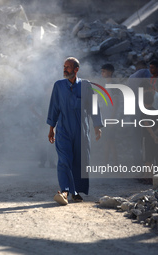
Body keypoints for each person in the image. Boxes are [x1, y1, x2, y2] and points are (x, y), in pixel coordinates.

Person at [47, 57, 103, 205]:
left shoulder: (86, 85)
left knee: (80, 161)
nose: (65, 69)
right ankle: (64, 191)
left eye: (68, 67)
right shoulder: (58, 86)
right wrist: (51, 128)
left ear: (76, 69)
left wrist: (97, 126)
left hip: (81, 130)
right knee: (64, 160)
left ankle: (75, 192)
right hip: (64, 129)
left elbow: (94, 107)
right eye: (64, 66)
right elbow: (54, 107)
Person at [140, 91, 158, 184]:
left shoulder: (144, 112)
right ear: (153, 101)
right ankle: (147, 175)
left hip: (148, 137)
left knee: (147, 157)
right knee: (153, 155)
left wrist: (152, 135)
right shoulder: (157, 111)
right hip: (157, 137)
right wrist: (156, 133)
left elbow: (146, 124)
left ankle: (150, 176)